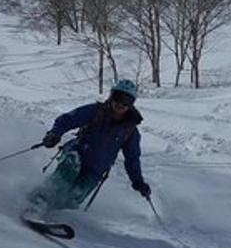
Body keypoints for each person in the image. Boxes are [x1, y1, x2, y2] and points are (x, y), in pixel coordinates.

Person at [28, 79, 151, 212]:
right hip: (77, 154)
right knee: (66, 174)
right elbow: (68, 119)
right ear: (111, 96)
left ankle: (54, 214)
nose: (120, 104)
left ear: (131, 104)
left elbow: (132, 159)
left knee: (73, 197)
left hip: (96, 170)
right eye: (118, 97)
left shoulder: (130, 131)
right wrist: (54, 134)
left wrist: (138, 182)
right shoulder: (96, 112)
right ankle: (38, 202)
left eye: (126, 101)